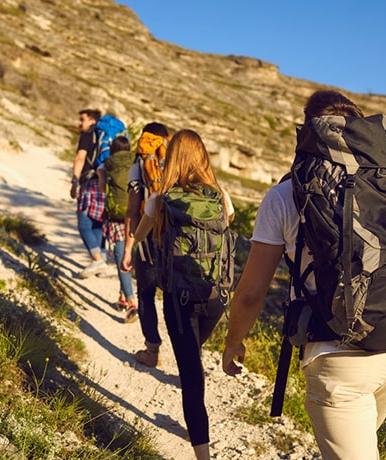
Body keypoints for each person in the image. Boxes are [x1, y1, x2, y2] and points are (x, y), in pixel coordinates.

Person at [222, 90, 386, 460]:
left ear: (307, 134)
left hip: (341, 359)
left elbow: (252, 292)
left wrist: (233, 341)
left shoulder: (285, 195)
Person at [134, 129, 235, 460]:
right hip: (215, 297)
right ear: (203, 157)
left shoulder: (161, 197)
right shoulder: (220, 195)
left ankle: (202, 453)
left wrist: (135, 245)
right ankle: (196, 425)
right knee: (192, 356)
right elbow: (229, 221)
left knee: (191, 374)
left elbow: (142, 233)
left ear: (171, 157)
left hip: (179, 298)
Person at [121, 122, 170, 356]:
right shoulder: (175, 161)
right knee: (174, 296)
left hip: (149, 238)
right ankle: (189, 356)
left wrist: (128, 249)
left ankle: (152, 350)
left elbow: (132, 210)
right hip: (176, 238)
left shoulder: (138, 165)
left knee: (146, 293)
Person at [97, 135, 138, 322]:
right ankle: (122, 298)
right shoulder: (136, 161)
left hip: (117, 217)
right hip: (137, 215)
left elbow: (101, 188)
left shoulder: (106, 164)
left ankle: (132, 303)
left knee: (123, 260)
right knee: (127, 256)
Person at [70, 109, 107, 278]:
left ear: (92, 121)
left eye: (82, 120)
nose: (79, 123)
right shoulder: (104, 137)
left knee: (84, 224)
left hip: (89, 183)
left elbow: (80, 158)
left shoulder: (87, 136)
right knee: (97, 223)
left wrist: (75, 181)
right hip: (103, 184)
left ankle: (97, 260)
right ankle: (102, 260)